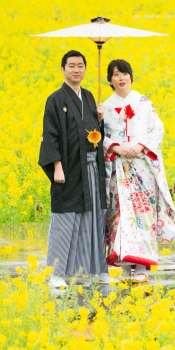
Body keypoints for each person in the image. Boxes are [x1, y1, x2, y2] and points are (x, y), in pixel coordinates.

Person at [38, 50, 115, 288]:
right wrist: (57, 167)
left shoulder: (90, 96)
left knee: (93, 219)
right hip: (69, 168)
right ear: (63, 69)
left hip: (91, 167)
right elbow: (50, 135)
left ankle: (97, 270)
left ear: (85, 69)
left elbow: (93, 133)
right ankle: (56, 273)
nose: (76, 70)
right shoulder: (55, 99)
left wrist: (99, 118)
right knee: (65, 218)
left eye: (80, 66)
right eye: (71, 66)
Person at [102, 59, 175, 282]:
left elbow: (157, 129)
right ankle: (126, 265)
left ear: (131, 78)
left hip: (141, 166)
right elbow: (100, 136)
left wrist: (139, 146)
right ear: (110, 80)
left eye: (124, 73)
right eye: (116, 74)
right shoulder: (105, 107)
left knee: (142, 214)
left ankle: (142, 268)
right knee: (121, 214)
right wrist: (115, 147)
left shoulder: (144, 103)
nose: (121, 78)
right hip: (119, 167)